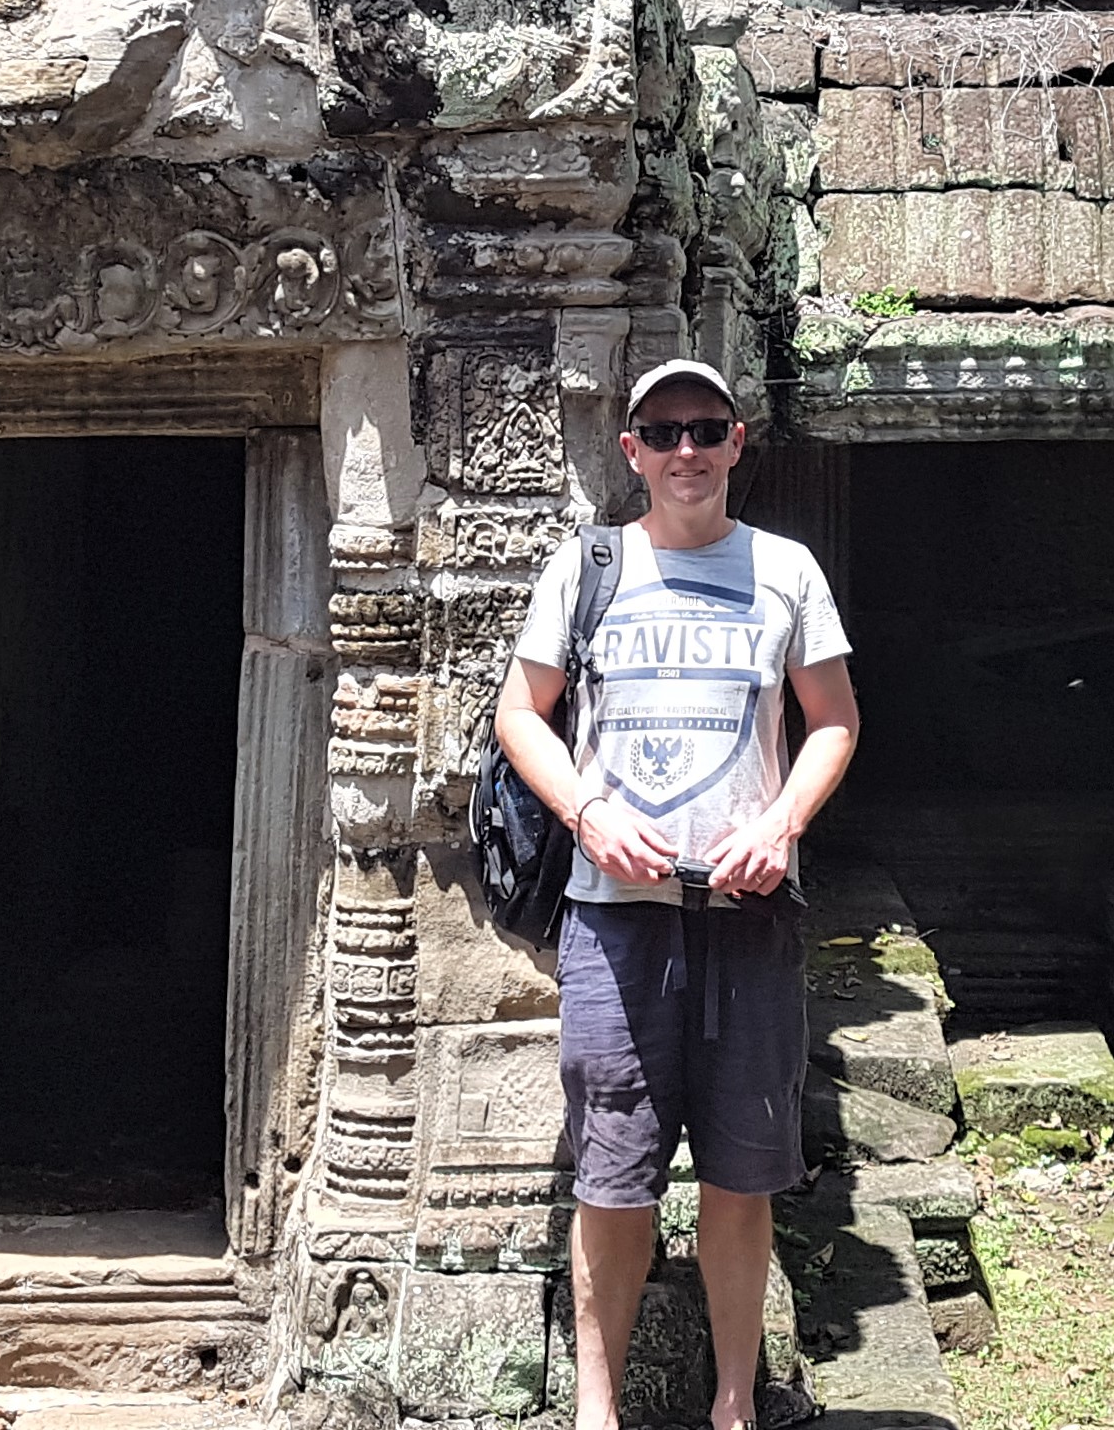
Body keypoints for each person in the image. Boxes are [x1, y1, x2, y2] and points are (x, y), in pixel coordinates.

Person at [495, 359, 861, 1430]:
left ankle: (734, 1401)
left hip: (748, 917)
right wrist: (586, 814)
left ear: (737, 442)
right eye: (663, 434)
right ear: (633, 453)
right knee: (611, 1176)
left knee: (742, 1173)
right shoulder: (588, 567)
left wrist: (781, 824)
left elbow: (833, 719)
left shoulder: (785, 570)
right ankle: (596, 1409)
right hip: (617, 920)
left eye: (705, 429)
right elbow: (521, 713)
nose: (685, 451)